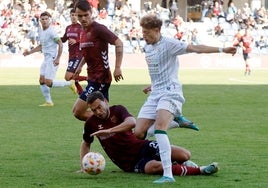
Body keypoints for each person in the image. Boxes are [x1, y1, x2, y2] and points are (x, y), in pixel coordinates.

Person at [134, 14, 236, 183]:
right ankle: (177, 122)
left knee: (160, 129)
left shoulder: (169, 44)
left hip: (170, 92)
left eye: (146, 32)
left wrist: (222, 50)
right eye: (142, 32)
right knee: (139, 133)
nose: (143, 35)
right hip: (156, 93)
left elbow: (196, 48)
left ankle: (168, 174)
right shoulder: (148, 47)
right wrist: (152, 85)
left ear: (157, 30)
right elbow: (160, 70)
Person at [79, 91, 219, 179]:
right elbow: (86, 143)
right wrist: (83, 165)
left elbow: (132, 122)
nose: (98, 112)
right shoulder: (91, 123)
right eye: (93, 109)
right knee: (155, 167)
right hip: (129, 162)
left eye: (99, 107)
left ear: (106, 102)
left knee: (185, 155)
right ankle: (200, 170)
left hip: (142, 146)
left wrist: (109, 131)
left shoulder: (118, 110)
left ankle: (181, 163)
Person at [72, 0, 124, 121]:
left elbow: (118, 42)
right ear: (75, 15)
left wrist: (117, 67)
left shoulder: (98, 29)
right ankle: (112, 124)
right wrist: (79, 66)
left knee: (78, 112)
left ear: (91, 12)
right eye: (80, 16)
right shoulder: (83, 31)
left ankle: (113, 122)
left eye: (86, 15)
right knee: (102, 109)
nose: (83, 18)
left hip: (101, 78)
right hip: (92, 77)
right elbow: (89, 52)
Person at [23, 11, 76, 107]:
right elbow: (41, 46)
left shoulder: (52, 32)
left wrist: (58, 58)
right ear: (40, 20)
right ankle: (49, 102)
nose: (44, 21)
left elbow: (60, 43)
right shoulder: (40, 30)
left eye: (46, 19)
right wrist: (29, 53)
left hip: (52, 59)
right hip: (46, 58)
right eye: (42, 19)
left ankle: (69, 83)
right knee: (41, 80)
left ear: (50, 20)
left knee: (48, 82)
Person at [61, 8, 87, 95]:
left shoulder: (81, 28)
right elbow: (64, 39)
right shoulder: (68, 28)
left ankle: (89, 78)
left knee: (68, 77)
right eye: (72, 15)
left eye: (76, 15)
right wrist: (55, 39)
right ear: (70, 16)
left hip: (78, 55)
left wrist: (76, 41)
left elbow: (85, 39)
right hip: (71, 55)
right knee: (73, 78)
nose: (74, 17)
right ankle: (82, 95)